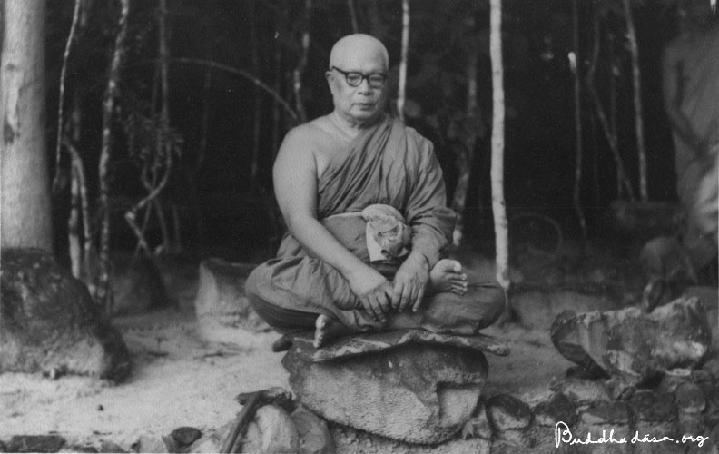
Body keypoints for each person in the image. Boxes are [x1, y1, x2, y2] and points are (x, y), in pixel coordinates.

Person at [245, 34, 505, 348]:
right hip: (330, 273)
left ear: (387, 82)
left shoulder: (414, 145)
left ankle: (350, 322)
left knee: (490, 295)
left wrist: (418, 264)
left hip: (398, 266)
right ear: (331, 81)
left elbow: (432, 218)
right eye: (353, 78)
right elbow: (300, 220)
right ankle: (399, 315)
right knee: (263, 284)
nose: (364, 89)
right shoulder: (302, 142)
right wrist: (357, 274)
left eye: (375, 79)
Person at [655, 0, 718, 285]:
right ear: (685, 9)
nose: (705, 9)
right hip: (692, 147)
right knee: (698, 219)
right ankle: (689, 284)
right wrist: (697, 145)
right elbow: (671, 106)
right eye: (697, 5)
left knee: (709, 215)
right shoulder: (675, 50)